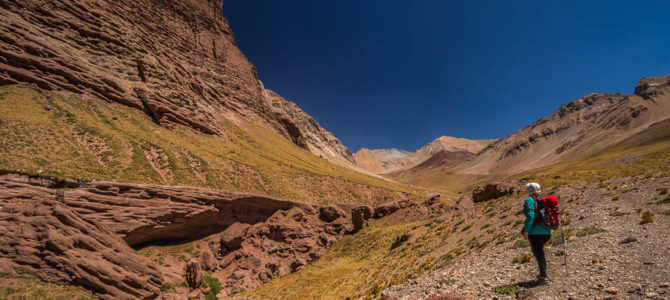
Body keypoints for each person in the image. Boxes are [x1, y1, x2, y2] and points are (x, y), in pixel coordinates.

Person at [522, 182, 552, 283]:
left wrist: (526, 230)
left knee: (539, 253)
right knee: (540, 252)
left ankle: (543, 276)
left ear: (529, 190)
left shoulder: (529, 200)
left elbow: (531, 216)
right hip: (547, 231)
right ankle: (542, 274)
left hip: (535, 232)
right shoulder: (542, 199)